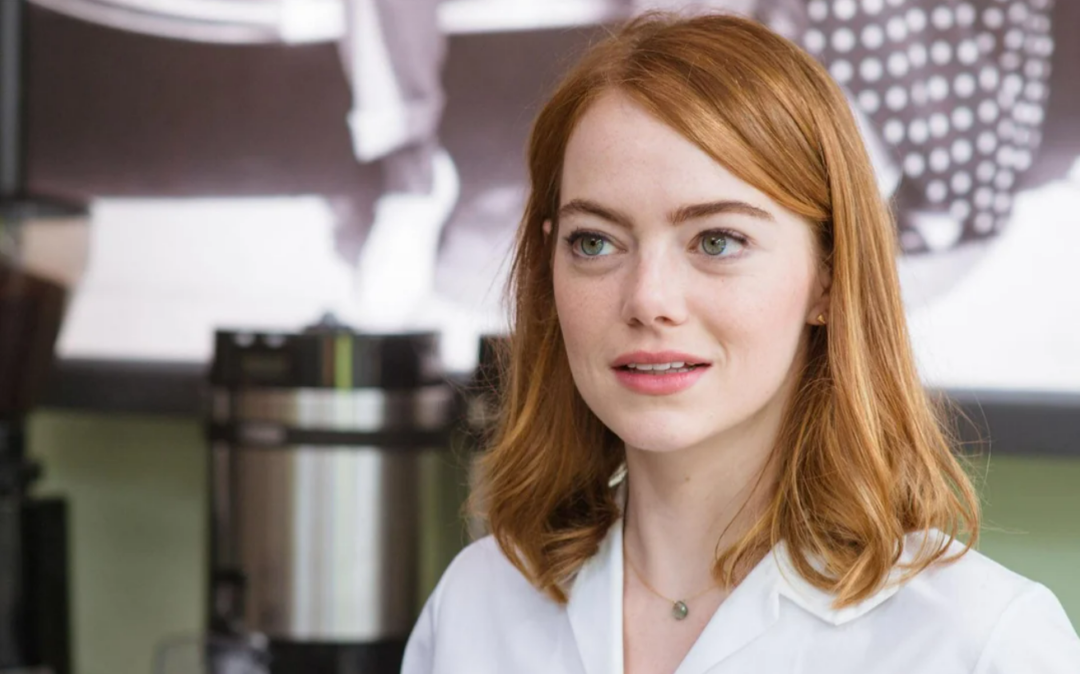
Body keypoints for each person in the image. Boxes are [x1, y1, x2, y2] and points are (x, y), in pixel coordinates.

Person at [401, 12, 1080, 674]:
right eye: (596, 242)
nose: (648, 300)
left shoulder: (980, 643)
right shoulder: (475, 605)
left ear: (828, 276)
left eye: (718, 241)